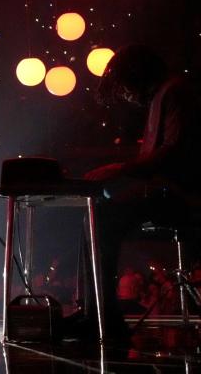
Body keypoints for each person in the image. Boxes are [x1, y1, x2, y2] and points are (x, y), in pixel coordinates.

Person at [81, 44, 200, 338]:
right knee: (99, 216)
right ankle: (97, 314)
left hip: (182, 196)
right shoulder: (165, 94)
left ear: (137, 75)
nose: (123, 93)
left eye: (123, 85)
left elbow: (172, 152)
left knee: (101, 219)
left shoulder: (174, 92)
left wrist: (120, 169)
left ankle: (103, 318)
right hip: (170, 193)